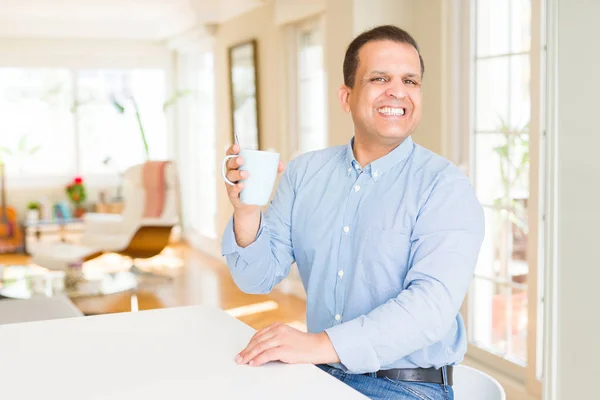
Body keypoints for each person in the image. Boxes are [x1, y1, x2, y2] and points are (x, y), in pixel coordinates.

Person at [221, 24, 484, 400]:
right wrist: (246, 212)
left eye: (410, 81)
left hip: (407, 385)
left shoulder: (445, 187)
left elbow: (430, 309)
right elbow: (255, 280)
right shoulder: (303, 174)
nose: (398, 91)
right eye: (380, 78)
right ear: (346, 97)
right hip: (320, 374)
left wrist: (317, 345)